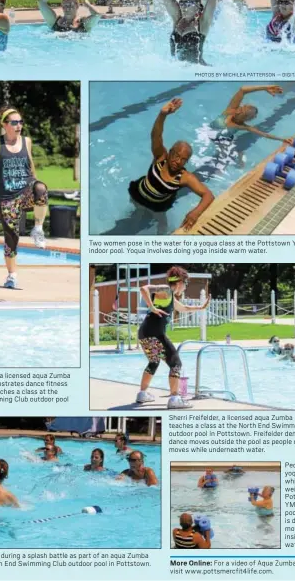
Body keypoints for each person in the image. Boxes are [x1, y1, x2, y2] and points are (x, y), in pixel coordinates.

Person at [0, 105, 48, 288]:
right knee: (11, 238)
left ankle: (38, 229)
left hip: (26, 190)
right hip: (8, 197)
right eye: (14, 122)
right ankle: (12, 275)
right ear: (4, 124)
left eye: (21, 122)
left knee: (42, 189)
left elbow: (31, 164)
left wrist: (34, 183)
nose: (19, 125)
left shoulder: (27, 141)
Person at [128, 98, 214, 232]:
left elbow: (208, 195)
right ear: (169, 153)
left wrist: (195, 213)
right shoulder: (160, 157)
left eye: (183, 159)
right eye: (176, 156)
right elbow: (155, 135)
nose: (178, 161)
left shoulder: (184, 177)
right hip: (139, 193)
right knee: (137, 215)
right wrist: (162, 115)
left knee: (162, 223)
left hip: (159, 204)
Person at [136, 266, 211, 409]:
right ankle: (174, 398)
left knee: (154, 362)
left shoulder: (169, 297)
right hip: (154, 334)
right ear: (179, 282)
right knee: (176, 363)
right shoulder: (166, 290)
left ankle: (142, 394)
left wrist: (201, 307)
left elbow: (183, 308)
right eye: (186, 283)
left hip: (144, 333)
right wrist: (151, 307)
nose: (185, 287)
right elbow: (144, 288)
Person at [162, 0, 218, 65]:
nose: (184, 7)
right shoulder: (177, 19)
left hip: (198, 70)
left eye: (189, 3)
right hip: (177, 70)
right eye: (182, 2)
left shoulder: (202, 22)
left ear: (198, 6)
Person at [214, 85, 292, 143]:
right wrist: (265, 88)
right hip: (215, 136)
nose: (239, 108)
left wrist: (282, 139)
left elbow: (265, 135)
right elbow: (242, 90)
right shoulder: (235, 115)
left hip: (216, 136)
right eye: (241, 107)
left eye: (242, 109)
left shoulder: (236, 117)